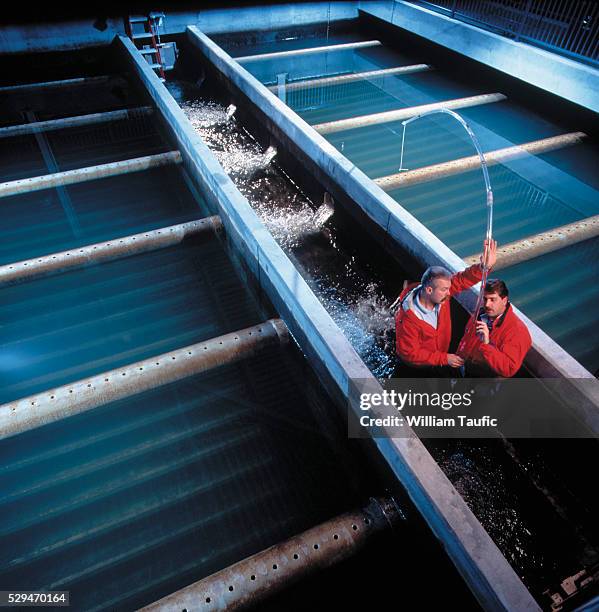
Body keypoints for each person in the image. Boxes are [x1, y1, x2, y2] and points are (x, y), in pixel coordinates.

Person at [394, 239, 496, 374]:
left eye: (448, 288)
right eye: (444, 290)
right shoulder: (408, 320)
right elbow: (410, 353)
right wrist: (444, 358)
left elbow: (462, 279)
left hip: (440, 355)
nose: (450, 293)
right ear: (429, 290)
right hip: (418, 367)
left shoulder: (440, 293)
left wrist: (483, 267)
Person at [460, 279, 532, 377]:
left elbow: (508, 368)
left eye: (492, 299)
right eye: (485, 299)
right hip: (465, 372)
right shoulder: (479, 315)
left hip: (486, 385)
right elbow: (465, 341)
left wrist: (487, 345)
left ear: (504, 300)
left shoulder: (517, 331)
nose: (487, 304)